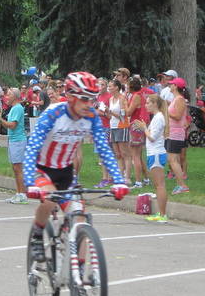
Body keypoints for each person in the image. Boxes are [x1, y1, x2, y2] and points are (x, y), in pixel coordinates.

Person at [23, 72, 129, 262]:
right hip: (43, 169)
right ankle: (38, 235)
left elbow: (105, 150)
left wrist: (119, 181)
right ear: (70, 97)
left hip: (66, 172)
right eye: (84, 99)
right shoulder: (53, 113)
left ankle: (79, 277)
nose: (89, 104)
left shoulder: (91, 117)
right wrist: (30, 182)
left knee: (80, 217)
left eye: (92, 99)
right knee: (48, 201)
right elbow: (32, 147)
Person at [134, 94, 168, 223]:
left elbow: (152, 137)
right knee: (158, 185)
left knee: (160, 185)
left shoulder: (158, 118)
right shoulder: (157, 117)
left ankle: (163, 215)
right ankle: (161, 213)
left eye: (148, 103)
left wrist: (144, 128)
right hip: (154, 153)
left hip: (156, 154)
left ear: (155, 104)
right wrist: (144, 127)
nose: (146, 105)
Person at [0, 87, 28, 204]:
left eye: (9, 95)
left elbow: (12, 125)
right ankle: (18, 193)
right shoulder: (14, 108)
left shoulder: (17, 108)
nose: (7, 97)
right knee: (15, 168)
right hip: (13, 140)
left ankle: (22, 195)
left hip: (18, 141)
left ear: (15, 97)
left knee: (18, 168)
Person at [165, 77, 190, 194]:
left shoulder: (180, 99)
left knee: (173, 160)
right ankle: (180, 185)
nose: (170, 86)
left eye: (171, 84)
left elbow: (178, 116)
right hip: (171, 133)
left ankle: (182, 186)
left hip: (176, 134)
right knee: (172, 160)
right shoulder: (176, 99)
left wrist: (166, 111)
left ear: (176, 86)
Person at [126, 78, 150, 188]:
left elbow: (128, 112)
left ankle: (138, 182)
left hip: (136, 126)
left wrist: (124, 103)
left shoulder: (136, 96)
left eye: (127, 85)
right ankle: (146, 179)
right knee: (139, 156)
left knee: (135, 156)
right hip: (141, 125)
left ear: (131, 86)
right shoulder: (141, 94)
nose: (126, 87)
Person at [108, 79, 132, 184]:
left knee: (125, 153)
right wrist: (106, 112)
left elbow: (123, 117)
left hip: (122, 126)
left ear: (117, 87)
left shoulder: (122, 99)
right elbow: (110, 115)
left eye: (110, 86)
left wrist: (111, 113)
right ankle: (120, 176)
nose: (109, 88)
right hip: (112, 127)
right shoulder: (110, 99)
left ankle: (127, 177)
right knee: (117, 154)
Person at [94, 77, 112, 187]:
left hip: (107, 127)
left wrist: (102, 113)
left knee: (105, 153)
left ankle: (107, 178)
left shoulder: (109, 97)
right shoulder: (98, 97)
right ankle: (106, 177)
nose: (100, 87)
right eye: (98, 85)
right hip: (98, 127)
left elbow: (110, 115)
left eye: (102, 85)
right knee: (101, 154)